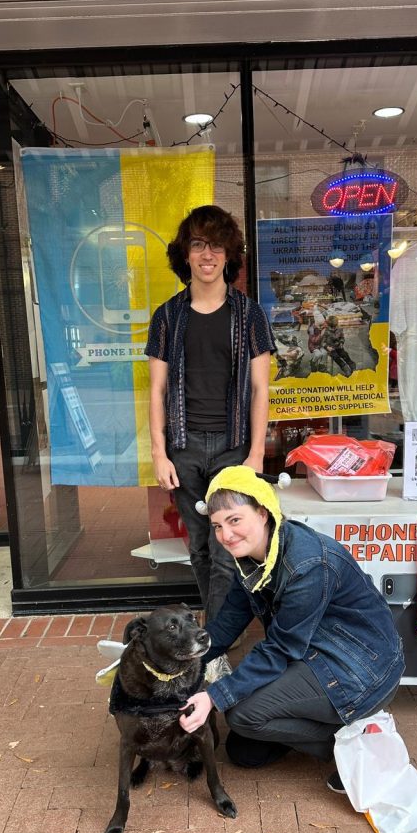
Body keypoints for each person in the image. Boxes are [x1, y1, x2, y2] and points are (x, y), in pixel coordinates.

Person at [179, 465, 404, 791]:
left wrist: (214, 696)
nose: (226, 535)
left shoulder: (307, 565)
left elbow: (281, 649)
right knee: (244, 751)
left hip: (358, 669)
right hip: (313, 652)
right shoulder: (252, 558)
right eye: (217, 526)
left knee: (241, 715)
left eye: (234, 520)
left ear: (263, 513)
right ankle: (318, 723)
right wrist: (178, 660)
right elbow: (227, 624)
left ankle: (357, 744)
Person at [145, 206, 275, 622]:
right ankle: (216, 627)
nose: (207, 254)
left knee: (225, 550)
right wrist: (159, 453)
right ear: (185, 254)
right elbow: (157, 389)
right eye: (198, 244)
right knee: (200, 547)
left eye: (217, 246)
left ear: (229, 254)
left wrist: (256, 454)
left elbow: (261, 389)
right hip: (183, 448)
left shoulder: (249, 315)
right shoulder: (167, 317)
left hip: (232, 448)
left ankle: (215, 642)